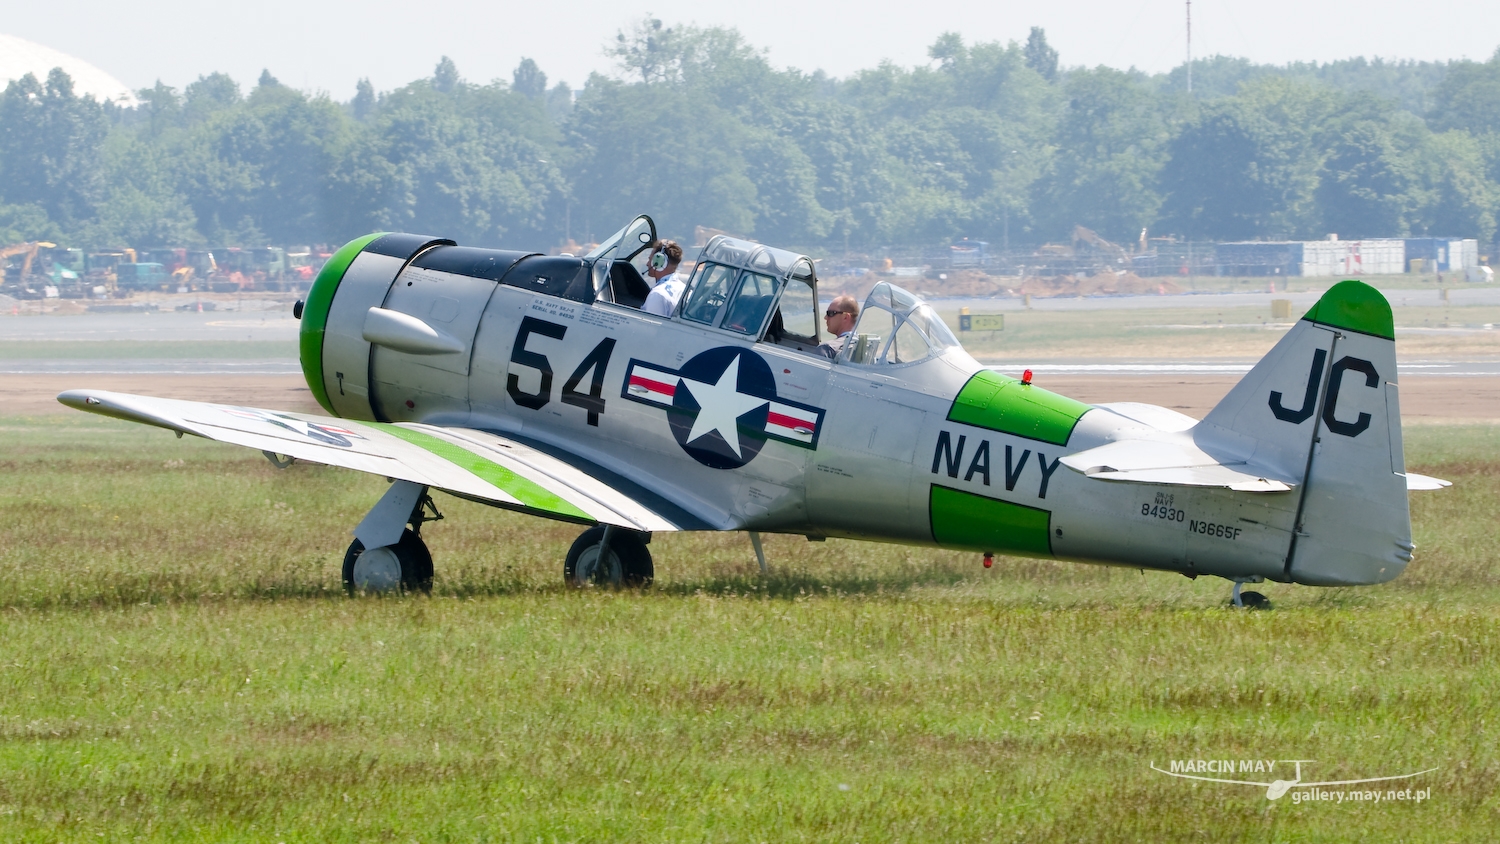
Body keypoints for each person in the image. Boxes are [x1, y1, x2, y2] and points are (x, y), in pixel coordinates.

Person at [641, 240, 684, 316]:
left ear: (659, 263)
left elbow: (650, 323)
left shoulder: (657, 295)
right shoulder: (683, 288)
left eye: (650, 260)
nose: (647, 264)